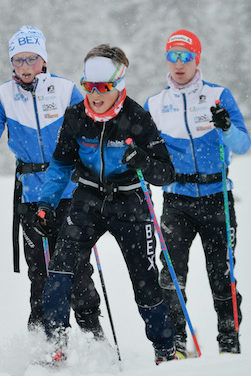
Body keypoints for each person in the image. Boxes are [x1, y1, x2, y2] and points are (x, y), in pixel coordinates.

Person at [37, 44, 178, 364]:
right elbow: (60, 165)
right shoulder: (75, 116)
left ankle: (164, 351)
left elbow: (165, 172)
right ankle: (55, 348)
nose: (95, 95)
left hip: (130, 202)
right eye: (89, 87)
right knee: (58, 273)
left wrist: (141, 159)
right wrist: (45, 203)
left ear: (119, 85)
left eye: (104, 88)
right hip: (87, 199)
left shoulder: (136, 117)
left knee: (144, 283)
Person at [0, 25, 103, 337]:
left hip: (69, 191)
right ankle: (46, 340)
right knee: (40, 272)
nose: (24, 67)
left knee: (77, 267)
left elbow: (93, 132)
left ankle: (93, 334)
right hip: (31, 197)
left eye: (31, 59)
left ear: (43, 60)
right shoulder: (3, 96)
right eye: (18, 60)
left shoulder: (66, 90)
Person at [144, 29, 251, 356]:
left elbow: (242, 145)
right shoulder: (156, 104)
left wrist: (226, 127)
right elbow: (147, 154)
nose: (179, 64)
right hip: (177, 199)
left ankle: (229, 341)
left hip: (216, 196)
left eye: (186, 56)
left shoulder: (219, 96)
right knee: (172, 275)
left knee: (222, 275)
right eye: (173, 56)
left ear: (197, 59)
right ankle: (175, 343)